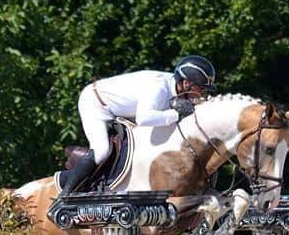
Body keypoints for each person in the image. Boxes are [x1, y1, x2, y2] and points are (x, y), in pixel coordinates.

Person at [60, 54, 218, 194]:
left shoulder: (175, 88)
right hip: (96, 103)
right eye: (202, 89)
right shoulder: (159, 89)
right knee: (102, 151)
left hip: (120, 112)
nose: (203, 94)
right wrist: (176, 114)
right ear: (186, 83)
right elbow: (144, 118)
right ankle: (66, 194)